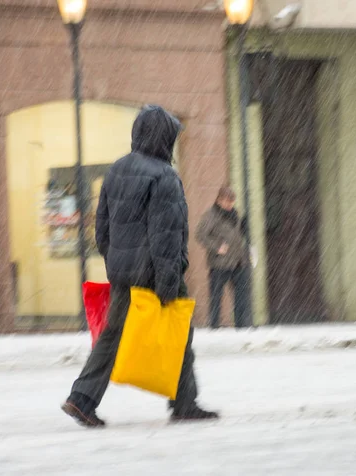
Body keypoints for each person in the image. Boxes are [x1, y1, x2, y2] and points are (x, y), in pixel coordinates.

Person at [61, 105, 218, 426]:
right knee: (179, 332)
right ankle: (184, 403)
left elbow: (101, 229)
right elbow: (167, 238)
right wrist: (167, 283)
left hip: (124, 272)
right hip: (154, 272)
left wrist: (118, 261)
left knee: (112, 335)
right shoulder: (164, 177)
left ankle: (82, 399)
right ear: (164, 139)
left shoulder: (117, 170)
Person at [196, 186, 253, 329]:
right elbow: (200, 234)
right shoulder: (211, 215)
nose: (230, 205)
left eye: (232, 202)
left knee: (241, 295)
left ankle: (242, 324)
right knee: (216, 296)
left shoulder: (234, 214)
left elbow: (236, 234)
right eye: (228, 202)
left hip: (239, 261)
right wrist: (217, 246)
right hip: (220, 264)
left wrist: (243, 229)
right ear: (219, 200)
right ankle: (214, 325)